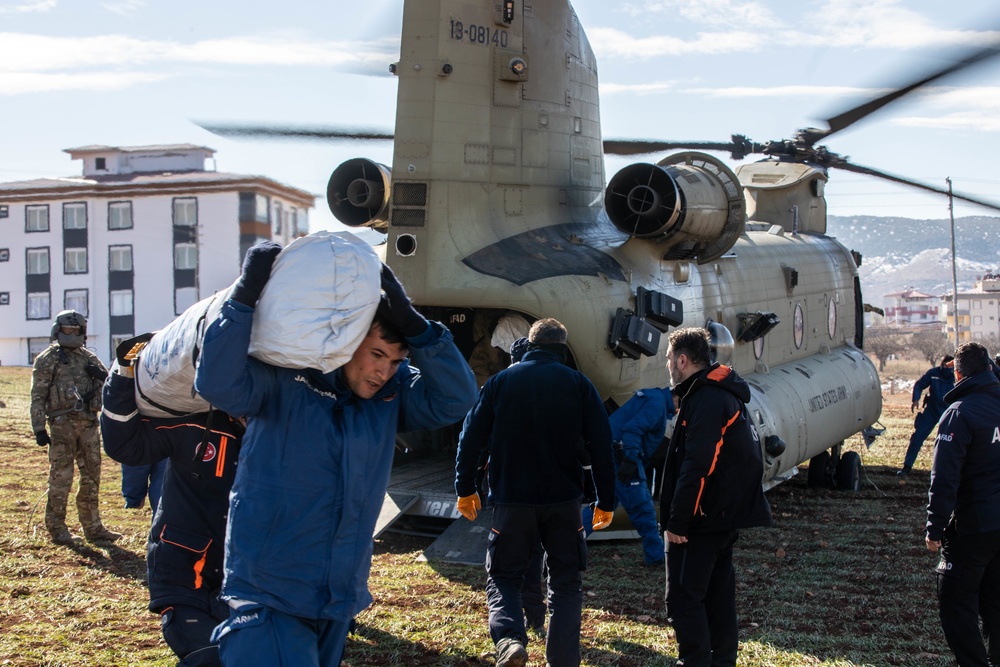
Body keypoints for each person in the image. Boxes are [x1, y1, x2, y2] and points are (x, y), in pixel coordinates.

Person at [193, 242, 478, 667]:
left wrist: (419, 329)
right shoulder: (284, 380)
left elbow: (456, 399)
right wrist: (244, 297)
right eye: (377, 354)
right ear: (346, 341)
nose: (384, 371)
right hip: (271, 588)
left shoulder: (390, 396)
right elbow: (217, 383)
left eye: (397, 361)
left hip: (337, 596)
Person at [454, 318, 617, 667]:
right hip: (564, 503)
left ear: (530, 344)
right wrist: (606, 500)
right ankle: (562, 660)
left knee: (503, 577)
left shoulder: (500, 382)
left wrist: (465, 487)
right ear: (562, 347)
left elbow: (470, 438)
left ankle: (511, 639)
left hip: (512, 502)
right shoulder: (579, 384)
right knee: (565, 584)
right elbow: (602, 446)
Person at [101, 337, 244, 667]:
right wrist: (123, 373)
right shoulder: (197, 424)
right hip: (184, 575)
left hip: (248, 582)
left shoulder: (282, 434)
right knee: (208, 658)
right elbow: (125, 446)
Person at [660, 327, 772, 667]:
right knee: (717, 594)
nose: (667, 364)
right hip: (720, 517)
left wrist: (679, 519)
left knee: (683, 596)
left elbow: (699, 464)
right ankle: (721, 660)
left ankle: (695, 661)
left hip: (701, 520)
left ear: (682, 359)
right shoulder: (718, 393)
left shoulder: (707, 398)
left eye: (668, 358)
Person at [926, 341, 1000, 667]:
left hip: (974, 527)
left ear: (957, 374)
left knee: (955, 604)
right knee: (996, 603)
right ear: (989, 370)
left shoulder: (959, 414)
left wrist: (935, 527)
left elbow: (944, 479)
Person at [29, 310, 120, 544]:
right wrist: (39, 428)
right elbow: (38, 396)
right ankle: (57, 528)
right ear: (57, 330)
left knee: (91, 477)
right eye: (67, 329)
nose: (71, 333)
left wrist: (101, 375)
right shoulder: (47, 359)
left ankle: (93, 527)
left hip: (89, 425)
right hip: (61, 426)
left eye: (76, 330)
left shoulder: (89, 358)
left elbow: (111, 384)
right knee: (61, 478)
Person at [582, 385, 674, 566]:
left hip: (612, 451)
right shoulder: (657, 405)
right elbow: (633, 430)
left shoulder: (655, 399)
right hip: (622, 456)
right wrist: (631, 461)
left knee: (605, 504)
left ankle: (568, 542)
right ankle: (656, 557)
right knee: (642, 507)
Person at [898, 354, 955, 477]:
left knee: (951, 442)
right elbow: (919, 384)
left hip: (949, 412)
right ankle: (906, 467)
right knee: (917, 438)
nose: (946, 368)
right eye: (944, 365)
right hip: (931, 410)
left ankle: (949, 471)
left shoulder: (957, 376)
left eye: (950, 366)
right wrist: (915, 399)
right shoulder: (933, 373)